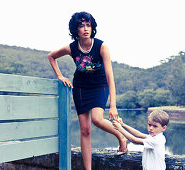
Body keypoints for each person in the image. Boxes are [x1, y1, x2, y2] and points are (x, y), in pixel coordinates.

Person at [47, 11, 127, 170]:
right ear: (75, 29)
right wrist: (60, 76)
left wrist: (113, 105)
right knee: (84, 130)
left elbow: (110, 76)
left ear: (92, 27)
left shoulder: (101, 47)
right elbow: (51, 56)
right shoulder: (71, 48)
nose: (85, 29)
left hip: (99, 86)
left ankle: (121, 137)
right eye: (81, 25)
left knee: (97, 119)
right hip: (81, 88)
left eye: (88, 25)